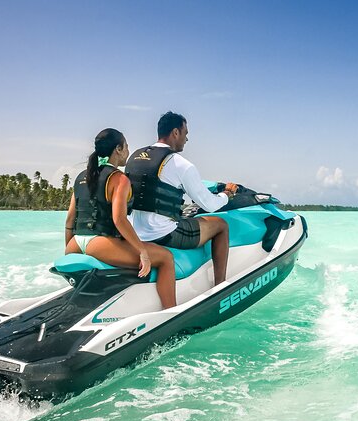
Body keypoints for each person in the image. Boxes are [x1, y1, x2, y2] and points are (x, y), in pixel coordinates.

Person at [65, 128, 176, 309]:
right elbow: (119, 219)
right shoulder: (119, 179)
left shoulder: (81, 177)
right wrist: (142, 252)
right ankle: (171, 314)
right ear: (118, 149)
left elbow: (70, 220)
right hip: (99, 244)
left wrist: (70, 249)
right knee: (165, 257)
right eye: (126, 146)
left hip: (74, 244)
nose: (128, 151)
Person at [126, 112, 238, 286]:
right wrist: (227, 194)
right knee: (221, 225)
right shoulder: (181, 164)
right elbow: (209, 205)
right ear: (176, 132)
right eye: (186, 133)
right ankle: (220, 285)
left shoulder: (134, 158)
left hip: (134, 234)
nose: (186, 139)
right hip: (162, 234)